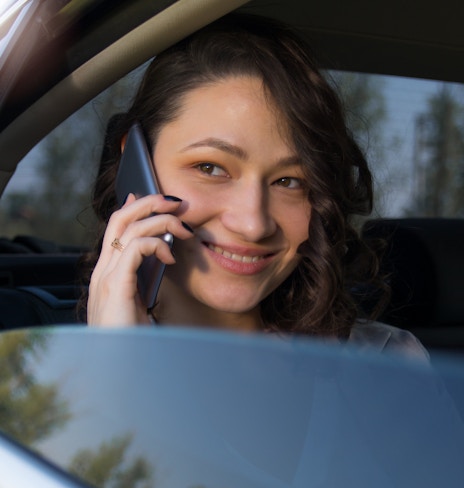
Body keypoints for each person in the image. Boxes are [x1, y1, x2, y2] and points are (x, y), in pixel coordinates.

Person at [82, 12, 427, 359]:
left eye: (288, 181)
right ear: (135, 163)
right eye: (210, 167)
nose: (253, 224)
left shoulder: (387, 363)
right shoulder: (49, 372)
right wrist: (112, 365)